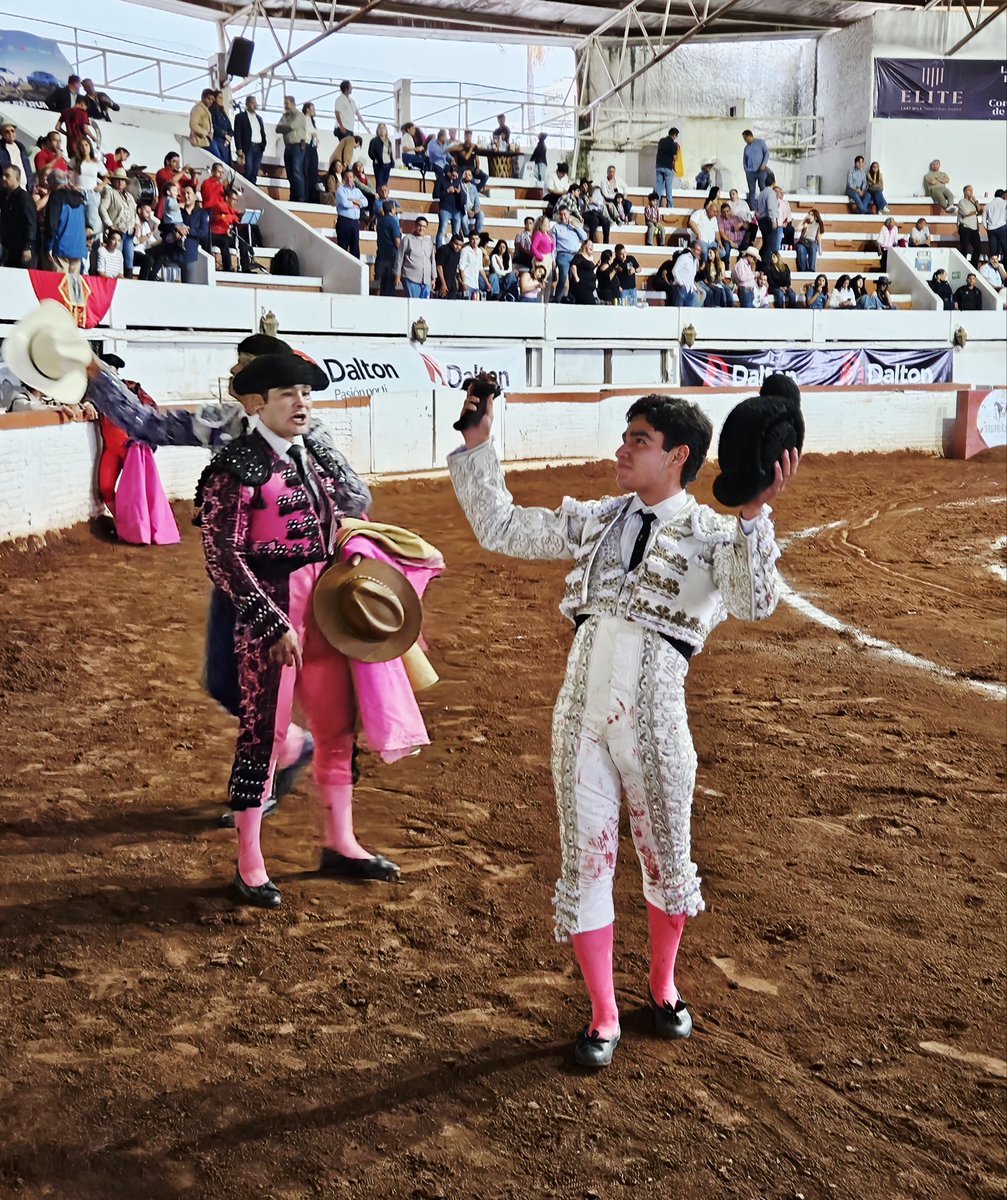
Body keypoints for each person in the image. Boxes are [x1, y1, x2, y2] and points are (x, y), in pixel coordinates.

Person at [447, 383, 796, 1067]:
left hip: (655, 715)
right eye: (625, 437)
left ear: (678, 456)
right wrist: (478, 446)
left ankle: (661, 984)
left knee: (668, 860)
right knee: (585, 862)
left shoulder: (712, 535)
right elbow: (502, 528)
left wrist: (755, 511)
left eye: (636, 440)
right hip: (579, 712)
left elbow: (756, 602)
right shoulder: (602, 518)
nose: (620, 450)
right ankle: (603, 1012)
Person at [194, 352, 432, 906]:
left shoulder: (315, 456)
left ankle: (340, 841)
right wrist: (268, 620)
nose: (302, 403)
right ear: (255, 405)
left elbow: (343, 517)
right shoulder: (234, 468)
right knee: (264, 738)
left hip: (324, 611)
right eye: (287, 394)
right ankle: (250, 862)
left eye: (305, 393)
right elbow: (223, 555)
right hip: (271, 615)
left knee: (336, 728)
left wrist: (352, 550)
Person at [43, 169, 87, 272]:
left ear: (53, 183)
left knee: (59, 284)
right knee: (72, 285)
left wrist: (49, 246)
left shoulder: (55, 197)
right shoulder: (80, 199)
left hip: (60, 248)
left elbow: (51, 224)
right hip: (78, 249)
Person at [99, 166, 138, 278]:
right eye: (118, 180)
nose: (121, 182)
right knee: (115, 257)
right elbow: (102, 208)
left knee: (129, 259)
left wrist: (137, 224)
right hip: (117, 231)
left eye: (123, 180)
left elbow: (134, 211)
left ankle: (129, 280)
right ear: (114, 181)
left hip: (129, 231)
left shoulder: (130, 196)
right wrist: (110, 225)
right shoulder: (110, 192)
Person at [0, 165, 37, 267]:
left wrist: (28, 246)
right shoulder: (5, 197)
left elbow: (31, 223)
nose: (3, 178)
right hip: (9, 249)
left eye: (7, 176)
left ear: (17, 178)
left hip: (23, 250)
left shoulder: (24, 198)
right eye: (3, 175)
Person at [276, 96, 308, 204]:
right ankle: (293, 195)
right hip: (288, 146)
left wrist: (285, 126)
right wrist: (287, 126)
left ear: (293, 103)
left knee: (297, 171)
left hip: (297, 146)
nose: (285, 106)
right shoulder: (285, 116)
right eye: (285, 103)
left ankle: (301, 197)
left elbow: (292, 125)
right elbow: (277, 128)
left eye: (287, 103)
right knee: (290, 173)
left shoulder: (299, 115)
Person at [395, 215, 436, 298]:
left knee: (424, 305)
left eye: (424, 226)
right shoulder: (407, 239)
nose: (421, 228)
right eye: (419, 226)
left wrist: (433, 278)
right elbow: (399, 257)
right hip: (411, 277)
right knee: (414, 304)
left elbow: (432, 260)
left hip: (426, 279)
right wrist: (397, 275)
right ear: (415, 226)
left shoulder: (428, 241)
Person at [72, 136, 103, 243]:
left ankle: (95, 242)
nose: (84, 148)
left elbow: (108, 176)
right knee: (80, 219)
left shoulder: (96, 162)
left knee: (93, 219)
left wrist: (101, 185)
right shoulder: (76, 161)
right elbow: (69, 173)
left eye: (86, 145)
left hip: (92, 192)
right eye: (82, 146)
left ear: (90, 147)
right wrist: (73, 185)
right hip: (79, 191)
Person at [552, 207, 587, 302]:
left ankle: (572, 299)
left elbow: (584, 237)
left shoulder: (574, 226)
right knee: (563, 278)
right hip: (562, 255)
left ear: (569, 215)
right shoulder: (556, 227)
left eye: (565, 214)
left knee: (574, 279)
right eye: (561, 214)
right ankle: (557, 299)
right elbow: (553, 246)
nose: (563, 216)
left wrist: (576, 227)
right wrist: (553, 259)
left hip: (575, 255)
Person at [334, 167, 365, 258]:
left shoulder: (357, 191)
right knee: (343, 248)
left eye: (351, 177)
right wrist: (357, 203)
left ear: (354, 178)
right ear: (344, 179)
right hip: (344, 221)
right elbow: (345, 203)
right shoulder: (341, 190)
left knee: (355, 248)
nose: (349, 179)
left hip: (355, 222)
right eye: (347, 177)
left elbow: (365, 202)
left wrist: (353, 200)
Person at [234, 96, 266, 185]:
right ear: (247, 104)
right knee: (248, 170)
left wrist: (263, 145)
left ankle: (253, 189)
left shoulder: (259, 118)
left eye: (255, 103)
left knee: (254, 171)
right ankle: (247, 189)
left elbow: (262, 132)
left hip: (258, 147)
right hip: (248, 147)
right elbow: (237, 133)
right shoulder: (240, 117)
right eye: (253, 103)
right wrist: (239, 148)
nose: (255, 105)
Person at [373, 199, 402, 297]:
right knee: (390, 285)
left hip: (381, 254)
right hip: (392, 255)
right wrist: (402, 253)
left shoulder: (380, 221)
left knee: (383, 284)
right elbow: (397, 240)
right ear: (392, 210)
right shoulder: (393, 221)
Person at [56, 96, 96, 161]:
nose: (85, 110)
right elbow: (85, 129)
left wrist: (67, 133)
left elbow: (57, 127)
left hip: (70, 145)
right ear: (82, 104)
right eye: (86, 108)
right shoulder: (83, 113)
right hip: (81, 144)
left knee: (73, 164)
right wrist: (93, 137)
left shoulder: (65, 112)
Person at [0, 116, 34, 190]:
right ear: (1, 133)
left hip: (25, 186)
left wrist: (31, 184)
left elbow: (27, 167)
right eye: (7, 131)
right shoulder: (1, 147)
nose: (10, 133)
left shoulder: (21, 146)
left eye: (12, 131)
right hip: (8, 188)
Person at [433, 165, 464, 246]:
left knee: (456, 234)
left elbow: (464, 197)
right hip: (445, 209)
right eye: (453, 175)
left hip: (456, 210)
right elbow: (435, 195)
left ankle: (453, 251)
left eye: (456, 176)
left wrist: (459, 192)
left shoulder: (458, 181)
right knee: (442, 231)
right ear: (448, 173)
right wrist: (447, 191)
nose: (455, 177)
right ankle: (439, 251)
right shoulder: (441, 180)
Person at [754, 175, 780, 268]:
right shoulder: (771, 193)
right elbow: (771, 207)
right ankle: (765, 266)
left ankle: (760, 264)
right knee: (770, 245)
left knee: (765, 244)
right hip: (769, 220)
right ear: (773, 183)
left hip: (762, 220)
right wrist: (773, 220)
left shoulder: (761, 194)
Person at [957, 185, 983, 268]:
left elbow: (980, 211)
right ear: (964, 192)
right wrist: (975, 212)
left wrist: (976, 201)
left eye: (972, 190)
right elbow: (966, 213)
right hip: (965, 228)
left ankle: (973, 267)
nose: (971, 192)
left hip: (974, 229)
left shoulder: (973, 203)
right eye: (969, 190)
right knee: (965, 249)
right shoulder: (962, 202)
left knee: (978, 248)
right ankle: (963, 267)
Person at [671, 242, 704, 307]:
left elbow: (691, 276)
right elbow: (674, 270)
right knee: (679, 310)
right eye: (697, 250)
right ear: (692, 249)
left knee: (688, 312)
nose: (699, 252)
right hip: (680, 288)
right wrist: (680, 283)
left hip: (690, 290)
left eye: (700, 251)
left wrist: (694, 287)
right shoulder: (684, 257)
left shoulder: (695, 261)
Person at [458, 230, 488, 300]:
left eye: (476, 239)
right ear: (469, 239)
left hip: (476, 284)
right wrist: (464, 283)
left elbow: (480, 268)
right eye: (472, 239)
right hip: (468, 283)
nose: (474, 241)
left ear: (479, 240)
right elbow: (461, 267)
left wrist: (487, 282)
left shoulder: (480, 251)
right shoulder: (465, 250)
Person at [742, 129, 769, 207]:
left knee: (763, 188)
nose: (745, 140)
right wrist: (746, 169)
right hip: (750, 172)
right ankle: (753, 208)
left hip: (761, 170)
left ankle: (764, 206)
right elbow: (744, 160)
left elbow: (766, 153)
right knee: (752, 191)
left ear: (750, 136)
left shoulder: (760, 143)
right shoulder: (746, 148)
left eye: (745, 138)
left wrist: (764, 163)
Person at [300, 102, 321, 204]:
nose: (314, 110)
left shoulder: (312, 121)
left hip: (313, 147)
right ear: (307, 109)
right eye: (312, 108)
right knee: (306, 171)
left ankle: (312, 196)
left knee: (313, 172)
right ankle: (305, 195)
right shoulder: (303, 119)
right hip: (306, 146)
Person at [655, 127, 679, 209]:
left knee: (658, 186)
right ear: (675, 135)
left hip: (659, 166)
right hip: (668, 167)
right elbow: (675, 158)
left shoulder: (661, 141)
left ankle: (656, 204)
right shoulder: (673, 144)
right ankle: (670, 205)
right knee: (668, 186)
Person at [434, 232, 464, 299]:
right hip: (441, 285)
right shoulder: (443, 250)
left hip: (452, 285)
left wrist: (458, 281)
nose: (458, 247)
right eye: (456, 244)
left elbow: (454, 268)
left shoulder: (458, 253)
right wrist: (443, 284)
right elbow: (439, 267)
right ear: (451, 242)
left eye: (460, 245)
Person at [367, 123, 395, 193]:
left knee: (385, 183)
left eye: (383, 128)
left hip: (387, 164)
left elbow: (390, 153)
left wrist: (392, 162)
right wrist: (376, 159)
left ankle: (384, 198)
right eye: (380, 128)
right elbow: (370, 153)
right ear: (377, 130)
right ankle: (378, 199)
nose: (382, 130)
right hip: (379, 165)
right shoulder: (374, 141)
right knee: (379, 184)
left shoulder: (388, 142)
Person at [568, 239, 598, 305]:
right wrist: (576, 277)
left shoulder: (589, 258)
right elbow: (573, 265)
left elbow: (589, 270)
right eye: (590, 245)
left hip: (589, 289)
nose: (592, 247)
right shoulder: (579, 256)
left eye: (592, 245)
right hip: (582, 288)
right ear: (584, 246)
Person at [795, 208, 824, 273]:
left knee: (813, 247)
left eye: (812, 215)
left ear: (815, 217)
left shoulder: (818, 225)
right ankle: (803, 270)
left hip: (812, 242)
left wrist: (820, 248)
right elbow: (797, 229)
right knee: (800, 248)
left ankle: (811, 269)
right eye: (809, 214)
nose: (810, 216)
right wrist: (804, 220)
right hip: (803, 242)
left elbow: (818, 237)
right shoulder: (806, 223)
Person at [209, 91, 234, 165]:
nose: (221, 100)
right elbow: (213, 126)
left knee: (227, 163)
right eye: (219, 98)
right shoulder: (212, 111)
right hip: (218, 140)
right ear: (215, 99)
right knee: (222, 162)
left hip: (226, 142)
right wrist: (224, 135)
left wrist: (229, 137)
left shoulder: (223, 112)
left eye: (222, 98)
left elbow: (230, 128)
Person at [984, 189, 1007, 260]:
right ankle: (1004, 267)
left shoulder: (987, 205)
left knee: (993, 251)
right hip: (1002, 228)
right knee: (1005, 249)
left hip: (991, 229)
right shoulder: (1004, 203)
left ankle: (992, 268)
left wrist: (987, 228)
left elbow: (983, 220)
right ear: (1003, 195)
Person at [460, 169, 483, 237]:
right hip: (463, 208)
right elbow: (459, 201)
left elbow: (477, 201)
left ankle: (477, 234)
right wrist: (468, 210)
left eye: (469, 175)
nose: (467, 176)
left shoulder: (474, 187)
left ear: (472, 177)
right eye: (466, 174)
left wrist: (475, 209)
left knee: (481, 214)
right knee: (464, 217)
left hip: (472, 209)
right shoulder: (459, 185)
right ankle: (467, 235)